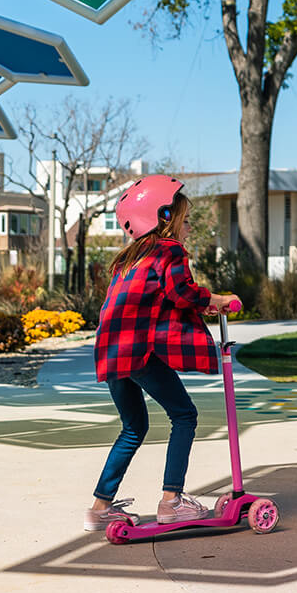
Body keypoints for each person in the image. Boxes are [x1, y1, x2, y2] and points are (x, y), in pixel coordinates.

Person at [84, 174, 240, 531]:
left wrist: (205, 307)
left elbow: (153, 300)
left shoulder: (128, 260)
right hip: (139, 351)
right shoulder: (169, 251)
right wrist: (218, 300)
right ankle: (172, 502)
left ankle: (99, 508)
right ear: (164, 219)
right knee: (184, 415)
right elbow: (181, 292)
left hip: (112, 353)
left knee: (133, 427)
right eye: (184, 221)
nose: (188, 229)